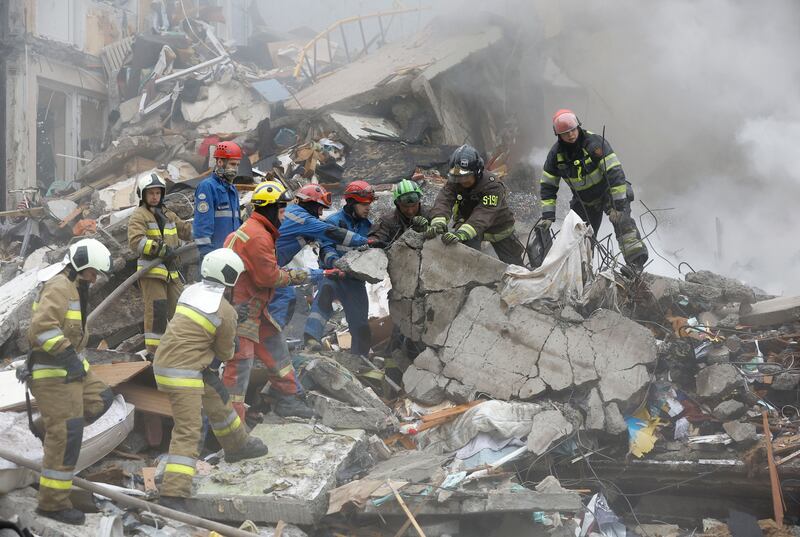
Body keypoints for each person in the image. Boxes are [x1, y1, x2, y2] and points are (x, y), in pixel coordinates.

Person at [154, 248, 268, 508]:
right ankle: (173, 493)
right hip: (184, 372)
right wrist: (233, 332)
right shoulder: (226, 311)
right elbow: (226, 353)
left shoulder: (190, 291)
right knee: (188, 430)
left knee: (217, 398)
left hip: (173, 362)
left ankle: (237, 445)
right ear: (231, 277)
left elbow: (195, 331)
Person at [24, 238, 116, 525]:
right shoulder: (59, 286)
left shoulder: (75, 287)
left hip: (72, 369)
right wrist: (68, 357)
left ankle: (46, 425)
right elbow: (41, 329)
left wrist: (74, 362)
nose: (94, 278)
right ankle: (52, 504)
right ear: (79, 265)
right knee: (67, 433)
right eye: (92, 272)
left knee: (102, 399)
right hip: (52, 372)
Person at [222, 181, 315, 420]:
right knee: (240, 364)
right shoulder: (258, 236)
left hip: (254, 308)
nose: (284, 216)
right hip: (242, 312)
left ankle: (289, 399)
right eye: (282, 210)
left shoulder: (254, 230)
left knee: (276, 347)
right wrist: (294, 276)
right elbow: (268, 277)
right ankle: (231, 423)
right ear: (270, 209)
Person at [537, 109, 649, 268]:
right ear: (559, 135)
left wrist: (617, 207)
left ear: (578, 127)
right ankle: (583, 271)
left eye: (573, 130)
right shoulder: (556, 155)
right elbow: (548, 186)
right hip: (585, 201)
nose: (571, 135)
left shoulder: (594, 144)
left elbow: (615, 173)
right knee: (579, 236)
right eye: (566, 133)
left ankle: (635, 265)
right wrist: (548, 215)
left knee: (623, 224)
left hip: (608, 192)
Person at [268, 184, 373, 329]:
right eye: (320, 208)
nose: (321, 212)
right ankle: (270, 337)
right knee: (285, 296)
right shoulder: (304, 220)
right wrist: (365, 241)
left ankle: (267, 335)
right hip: (268, 265)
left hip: (269, 263)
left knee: (271, 298)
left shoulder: (293, 213)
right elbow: (332, 232)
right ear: (311, 204)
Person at [303, 180, 382, 356]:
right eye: (364, 204)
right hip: (333, 276)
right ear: (352, 202)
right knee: (324, 297)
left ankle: (359, 359)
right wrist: (335, 264)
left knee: (360, 324)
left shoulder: (367, 226)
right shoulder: (333, 221)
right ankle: (311, 339)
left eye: (369, 204)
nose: (368, 208)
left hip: (355, 281)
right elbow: (325, 248)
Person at [128, 173, 192, 355]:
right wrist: (160, 249)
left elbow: (185, 230)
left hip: (171, 271)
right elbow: (136, 241)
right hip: (152, 273)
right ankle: (154, 352)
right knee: (157, 312)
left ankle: (181, 348)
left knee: (181, 308)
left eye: (158, 193)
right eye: (151, 193)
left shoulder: (167, 214)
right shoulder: (139, 215)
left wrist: (205, 228)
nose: (155, 197)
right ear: (143, 195)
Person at [427, 145, 524, 265]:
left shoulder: (492, 186)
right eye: (458, 177)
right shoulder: (456, 180)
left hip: (498, 228)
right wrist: (438, 222)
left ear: (477, 171)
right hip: (468, 226)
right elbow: (444, 200)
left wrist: (463, 233)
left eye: (466, 177)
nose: (462, 181)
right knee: (466, 262)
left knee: (515, 267)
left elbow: (484, 213)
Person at [193, 141, 243, 261]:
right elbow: (202, 225)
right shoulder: (207, 187)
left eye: (237, 165)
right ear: (220, 162)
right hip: (215, 258)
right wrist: (209, 255)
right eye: (232, 164)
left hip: (232, 256)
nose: (235, 169)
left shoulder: (232, 189)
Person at [369, 179, 430, 245]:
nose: (410, 211)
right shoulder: (388, 220)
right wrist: (372, 241)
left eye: (414, 205)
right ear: (397, 204)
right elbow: (378, 236)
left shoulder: (429, 213)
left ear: (419, 202)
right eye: (405, 206)